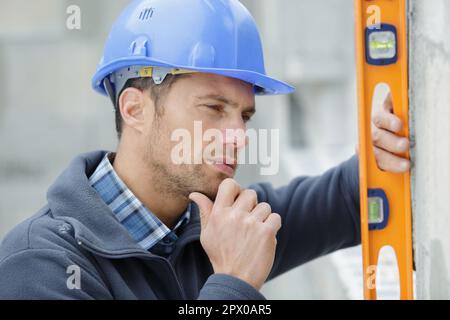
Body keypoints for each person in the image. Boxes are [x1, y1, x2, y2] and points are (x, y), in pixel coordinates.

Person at [0, 0, 410, 299]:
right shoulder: (42, 267)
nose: (238, 135)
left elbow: (346, 201)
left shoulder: (216, 222)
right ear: (135, 108)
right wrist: (232, 283)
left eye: (244, 117)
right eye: (213, 108)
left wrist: (382, 146)